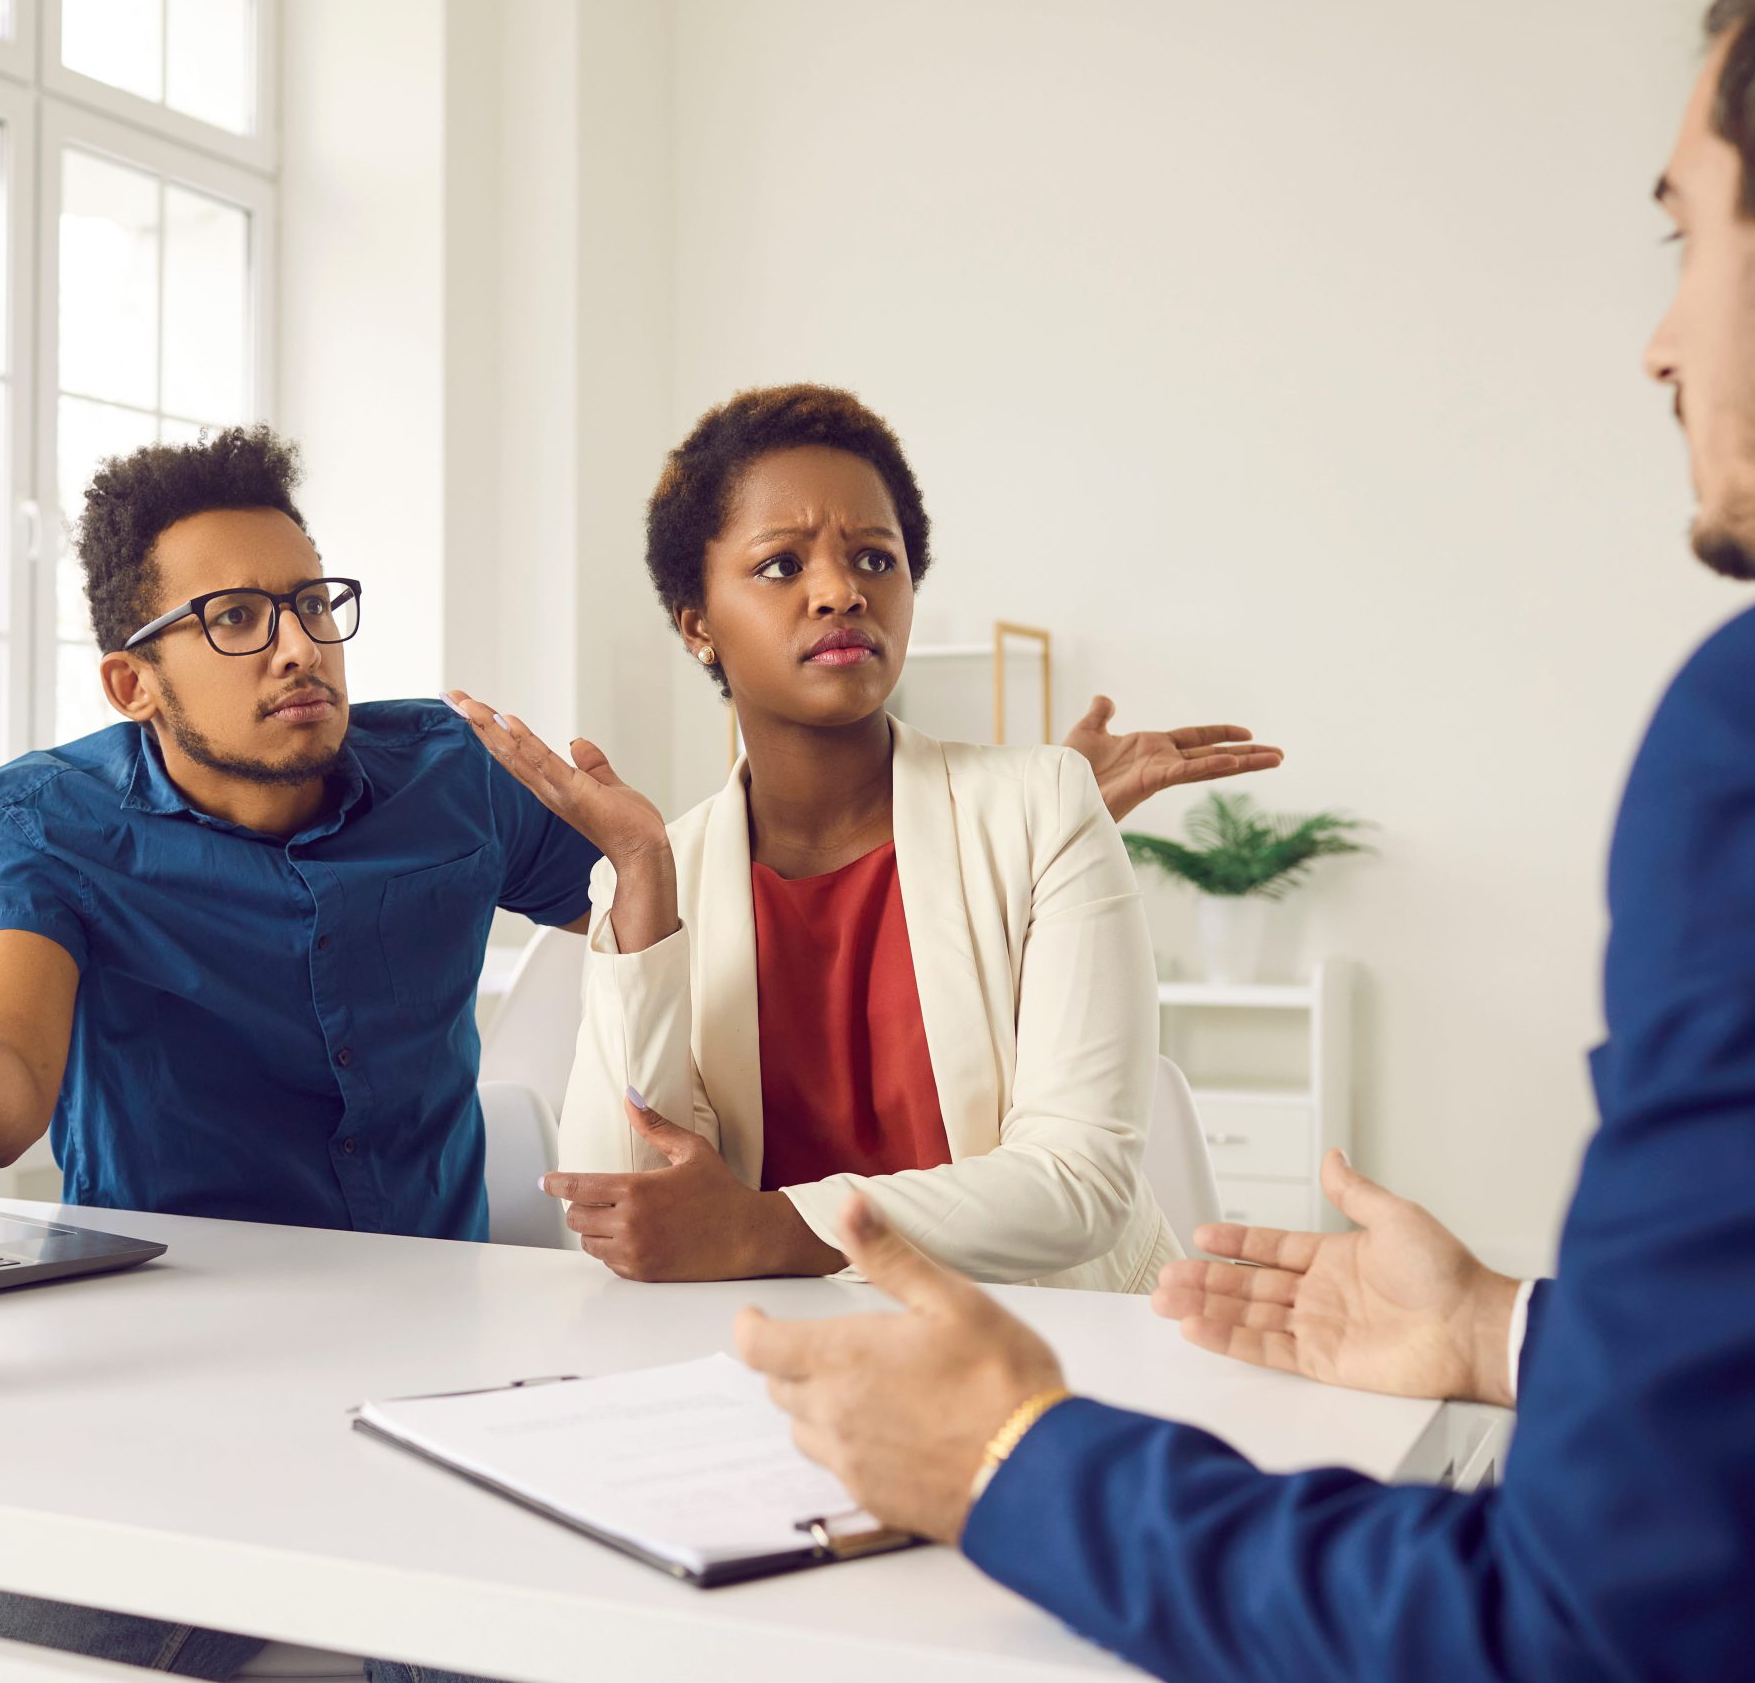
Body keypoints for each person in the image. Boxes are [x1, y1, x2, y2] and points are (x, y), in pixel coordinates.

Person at [736, 0, 1755, 1678]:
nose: (1659, 342)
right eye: (779, 568)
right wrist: (1506, 1330)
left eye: (1684, 234)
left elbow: (1603, 1635)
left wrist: (1011, 1463)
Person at [0, 427, 600, 1682]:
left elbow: (681, 951)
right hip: (178, 1367)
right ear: (131, 684)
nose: (301, 645)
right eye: (238, 618)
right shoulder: (48, 821)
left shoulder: (457, 774)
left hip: (447, 1354)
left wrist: (657, 867)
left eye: (312, 603)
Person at [452, 386, 1279, 1289]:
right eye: (780, 565)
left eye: (875, 558)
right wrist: (642, 879)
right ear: (697, 624)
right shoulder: (659, 876)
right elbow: (624, 1214)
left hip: (1055, 1349)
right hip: (785, 1363)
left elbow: (1078, 1187)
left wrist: (766, 1229)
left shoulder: (1044, 805)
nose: (842, 590)